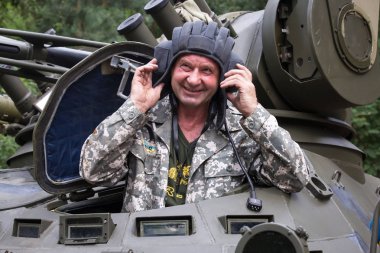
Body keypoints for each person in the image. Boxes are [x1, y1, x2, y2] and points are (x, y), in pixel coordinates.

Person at [79, 21, 310, 213]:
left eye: (207, 71)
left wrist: (253, 112)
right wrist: (135, 107)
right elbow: (93, 172)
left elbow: (296, 178)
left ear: (224, 77)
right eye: (185, 67)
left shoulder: (241, 132)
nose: (193, 79)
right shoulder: (142, 123)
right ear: (170, 70)